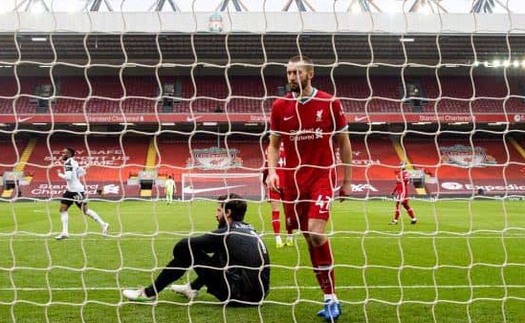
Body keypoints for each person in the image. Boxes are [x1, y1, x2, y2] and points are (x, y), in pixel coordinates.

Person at [266, 55, 352, 322]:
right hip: (293, 182)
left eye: (296, 72)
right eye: (289, 73)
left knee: (316, 234)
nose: (291, 77)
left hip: (321, 178)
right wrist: (272, 172)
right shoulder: (280, 106)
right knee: (307, 238)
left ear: (310, 74)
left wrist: (347, 179)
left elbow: (344, 141)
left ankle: (333, 297)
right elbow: (274, 144)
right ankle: (327, 297)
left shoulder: (329, 102)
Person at [122, 193, 270, 306]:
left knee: (188, 252)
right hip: (259, 296)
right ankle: (192, 288)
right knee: (221, 253)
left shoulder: (226, 232)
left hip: (239, 297)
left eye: (219, 210)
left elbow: (183, 245)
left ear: (228, 212)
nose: (216, 214)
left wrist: (183, 258)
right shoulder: (250, 228)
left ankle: (148, 294)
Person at [55, 147, 109, 240]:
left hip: (76, 191)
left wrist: (59, 174)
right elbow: (81, 173)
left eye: (64, 153)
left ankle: (104, 224)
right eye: (62, 152)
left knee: (85, 211)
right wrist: (85, 167)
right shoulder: (74, 162)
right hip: (69, 190)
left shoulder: (68, 163)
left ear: (69, 154)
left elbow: (68, 177)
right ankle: (65, 232)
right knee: (62, 209)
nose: (62, 154)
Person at [263, 142, 294, 248]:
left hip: (274, 183)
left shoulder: (270, 147)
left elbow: (267, 166)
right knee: (288, 213)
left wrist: (264, 180)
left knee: (275, 212)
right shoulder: (290, 146)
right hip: (288, 184)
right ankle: (290, 238)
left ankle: (278, 239)